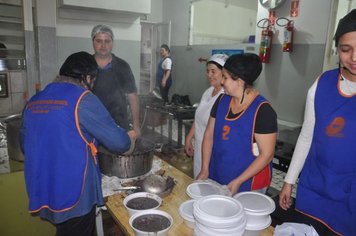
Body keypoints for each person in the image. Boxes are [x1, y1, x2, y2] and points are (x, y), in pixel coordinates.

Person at [21, 51, 136, 236]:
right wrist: (130, 138)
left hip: (43, 187)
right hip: (73, 192)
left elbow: (24, 145)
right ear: (87, 77)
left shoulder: (34, 101)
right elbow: (119, 142)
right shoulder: (83, 99)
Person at [279, 10, 356, 236]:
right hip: (313, 191)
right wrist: (289, 181)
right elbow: (307, 136)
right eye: (345, 49)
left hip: (349, 200)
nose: (353, 57)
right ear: (336, 50)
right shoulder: (322, 84)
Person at [196, 53, 277, 196]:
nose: (222, 82)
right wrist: (204, 168)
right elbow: (209, 135)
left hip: (247, 184)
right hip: (217, 175)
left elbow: (267, 155)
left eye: (225, 78)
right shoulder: (222, 101)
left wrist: (239, 181)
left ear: (239, 80)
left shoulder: (262, 111)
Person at [91, 24, 141, 136]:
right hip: (92, 124)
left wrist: (136, 126)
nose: (103, 45)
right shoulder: (86, 65)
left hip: (118, 123)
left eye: (107, 41)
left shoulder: (122, 66)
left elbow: (132, 97)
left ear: (112, 43)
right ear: (93, 42)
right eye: (99, 41)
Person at [185, 54, 228, 178]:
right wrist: (189, 137)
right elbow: (198, 118)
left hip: (213, 151)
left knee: (210, 186)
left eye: (213, 71)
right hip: (200, 146)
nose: (209, 75)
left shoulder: (225, 96)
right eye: (208, 71)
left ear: (224, 72)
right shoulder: (208, 92)